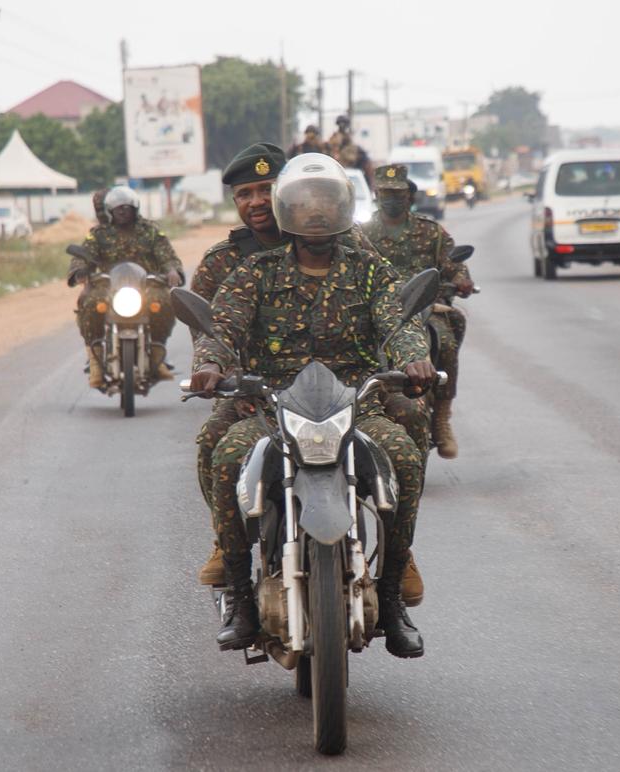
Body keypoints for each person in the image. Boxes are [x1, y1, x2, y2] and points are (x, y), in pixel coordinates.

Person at [189, 153, 435, 658]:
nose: (316, 216)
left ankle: (391, 595)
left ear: (342, 208)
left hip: (355, 401)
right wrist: (211, 364)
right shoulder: (255, 272)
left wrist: (414, 357)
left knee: (405, 457)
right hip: (273, 404)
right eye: (305, 206)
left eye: (325, 205)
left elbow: (399, 320)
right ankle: (240, 597)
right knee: (226, 456)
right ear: (289, 212)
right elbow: (223, 326)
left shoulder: (368, 268)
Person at [192, 143, 288, 585]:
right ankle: (226, 541)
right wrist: (222, 376)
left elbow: (383, 313)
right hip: (252, 392)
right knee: (213, 442)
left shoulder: (328, 242)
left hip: (336, 390)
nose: (256, 202)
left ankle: (399, 550)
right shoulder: (223, 262)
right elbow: (207, 330)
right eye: (245, 194)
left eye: (266, 189)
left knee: (406, 419)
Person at [361, 164, 474, 459]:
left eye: (397, 194)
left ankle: (442, 417)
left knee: (446, 339)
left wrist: (461, 278)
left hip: (425, 307)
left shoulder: (430, 231)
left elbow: (453, 263)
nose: (391, 199)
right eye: (385, 193)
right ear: (376, 195)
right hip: (378, 310)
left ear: (409, 196)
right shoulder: (361, 234)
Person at [67, 186, 185, 388]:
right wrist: (80, 271)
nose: (122, 211)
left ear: (135, 208)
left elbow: (167, 256)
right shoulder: (99, 234)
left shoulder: (150, 231)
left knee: (164, 302)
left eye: (126, 207)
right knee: (90, 303)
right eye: (117, 208)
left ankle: (157, 353)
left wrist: (173, 271)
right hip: (108, 286)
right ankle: (95, 360)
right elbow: (83, 255)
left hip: (147, 284)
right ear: (110, 211)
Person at [327, 114, 374, 188]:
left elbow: (367, 167)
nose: (342, 126)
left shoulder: (355, 149)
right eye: (340, 124)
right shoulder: (330, 144)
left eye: (344, 124)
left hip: (350, 177)